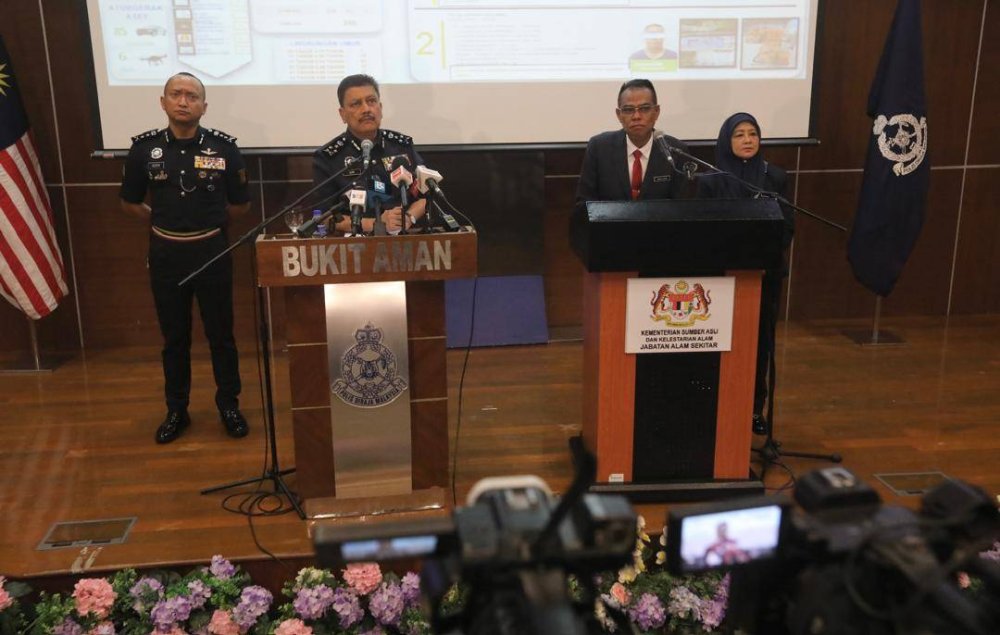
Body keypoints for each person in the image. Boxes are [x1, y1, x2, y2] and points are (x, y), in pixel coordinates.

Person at [120, 72, 251, 444]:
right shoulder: (144, 150)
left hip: (212, 251)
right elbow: (129, 202)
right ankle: (177, 410)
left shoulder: (224, 149)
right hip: (166, 254)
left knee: (221, 336)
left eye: (192, 95)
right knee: (174, 338)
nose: (183, 101)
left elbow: (241, 205)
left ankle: (229, 404)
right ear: (163, 102)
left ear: (203, 107)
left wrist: (207, 224)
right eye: (176, 94)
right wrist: (162, 223)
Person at [697, 112, 794, 435]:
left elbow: (787, 226)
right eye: (739, 134)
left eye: (753, 133)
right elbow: (702, 231)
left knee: (759, 345)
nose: (748, 140)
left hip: (764, 276)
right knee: (720, 343)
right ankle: (716, 405)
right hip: (721, 279)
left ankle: (754, 408)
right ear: (727, 141)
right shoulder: (709, 181)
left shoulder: (775, 177)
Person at [313, 74, 427, 234]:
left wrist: (407, 218)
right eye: (356, 104)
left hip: (403, 241)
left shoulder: (401, 146)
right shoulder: (328, 157)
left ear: (380, 107)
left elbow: (426, 195)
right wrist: (375, 223)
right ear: (342, 114)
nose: (366, 109)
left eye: (371, 101)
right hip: (353, 246)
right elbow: (323, 217)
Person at [575, 78, 689, 216]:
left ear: (656, 112)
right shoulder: (599, 148)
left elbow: (683, 210)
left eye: (644, 109)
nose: (636, 116)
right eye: (628, 110)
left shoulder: (675, 152)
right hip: (610, 234)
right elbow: (584, 206)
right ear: (619, 115)